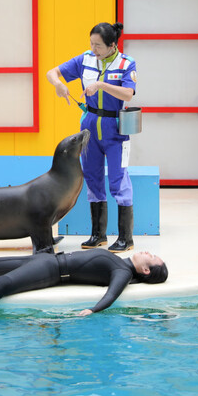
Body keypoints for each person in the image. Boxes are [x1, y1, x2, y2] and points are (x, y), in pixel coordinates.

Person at [46, 22, 138, 251]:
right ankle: (99, 235)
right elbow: (52, 72)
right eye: (91, 44)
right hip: (89, 125)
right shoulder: (85, 59)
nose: (93, 49)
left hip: (115, 126)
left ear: (111, 45)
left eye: (98, 45)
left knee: (118, 180)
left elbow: (128, 94)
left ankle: (126, 238)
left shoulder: (126, 63)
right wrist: (58, 83)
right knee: (92, 178)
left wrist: (101, 85)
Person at [0, 249, 167, 326]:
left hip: (52, 270)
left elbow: (112, 294)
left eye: (153, 259)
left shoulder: (121, 271)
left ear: (145, 270)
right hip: (45, 259)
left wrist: (93, 310)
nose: (151, 253)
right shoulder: (120, 261)